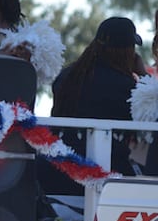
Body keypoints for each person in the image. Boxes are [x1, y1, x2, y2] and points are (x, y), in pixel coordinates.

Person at [51, 16, 146, 175]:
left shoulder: (67, 76)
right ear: (128, 51)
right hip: (110, 173)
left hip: (61, 170)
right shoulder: (126, 87)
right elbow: (151, 112)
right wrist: (143, 75)